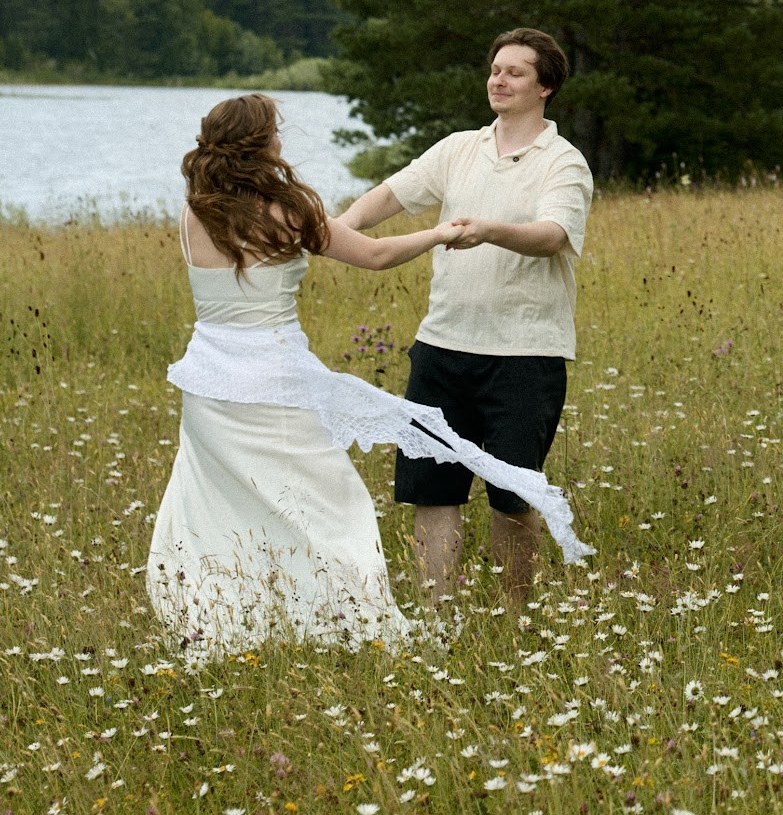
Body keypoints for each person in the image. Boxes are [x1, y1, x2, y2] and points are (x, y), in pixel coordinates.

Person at [147, 93, 590, 660]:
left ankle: (233, 615)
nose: (282, 138)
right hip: (275, 382)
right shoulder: (287, 212)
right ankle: (343, 621)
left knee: (220, 503)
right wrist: (437, 235)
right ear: (260, 144)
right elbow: (376, 256)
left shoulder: (194, 212)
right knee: (331, 506)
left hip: (207, 383)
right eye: (275, 131)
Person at [338, 28, 594, 605]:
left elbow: (553, 236)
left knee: (512, 496)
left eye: (515, 72)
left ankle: (515, 617)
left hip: (524, 355)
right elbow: (391, 195)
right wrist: (338, 228)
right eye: (495, 70)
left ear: (545, 87)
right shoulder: (458, 147)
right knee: (432, 490)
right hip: (442, 346)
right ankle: (438, 619)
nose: (498, 80)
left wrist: (489, 230)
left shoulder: (563, 162)